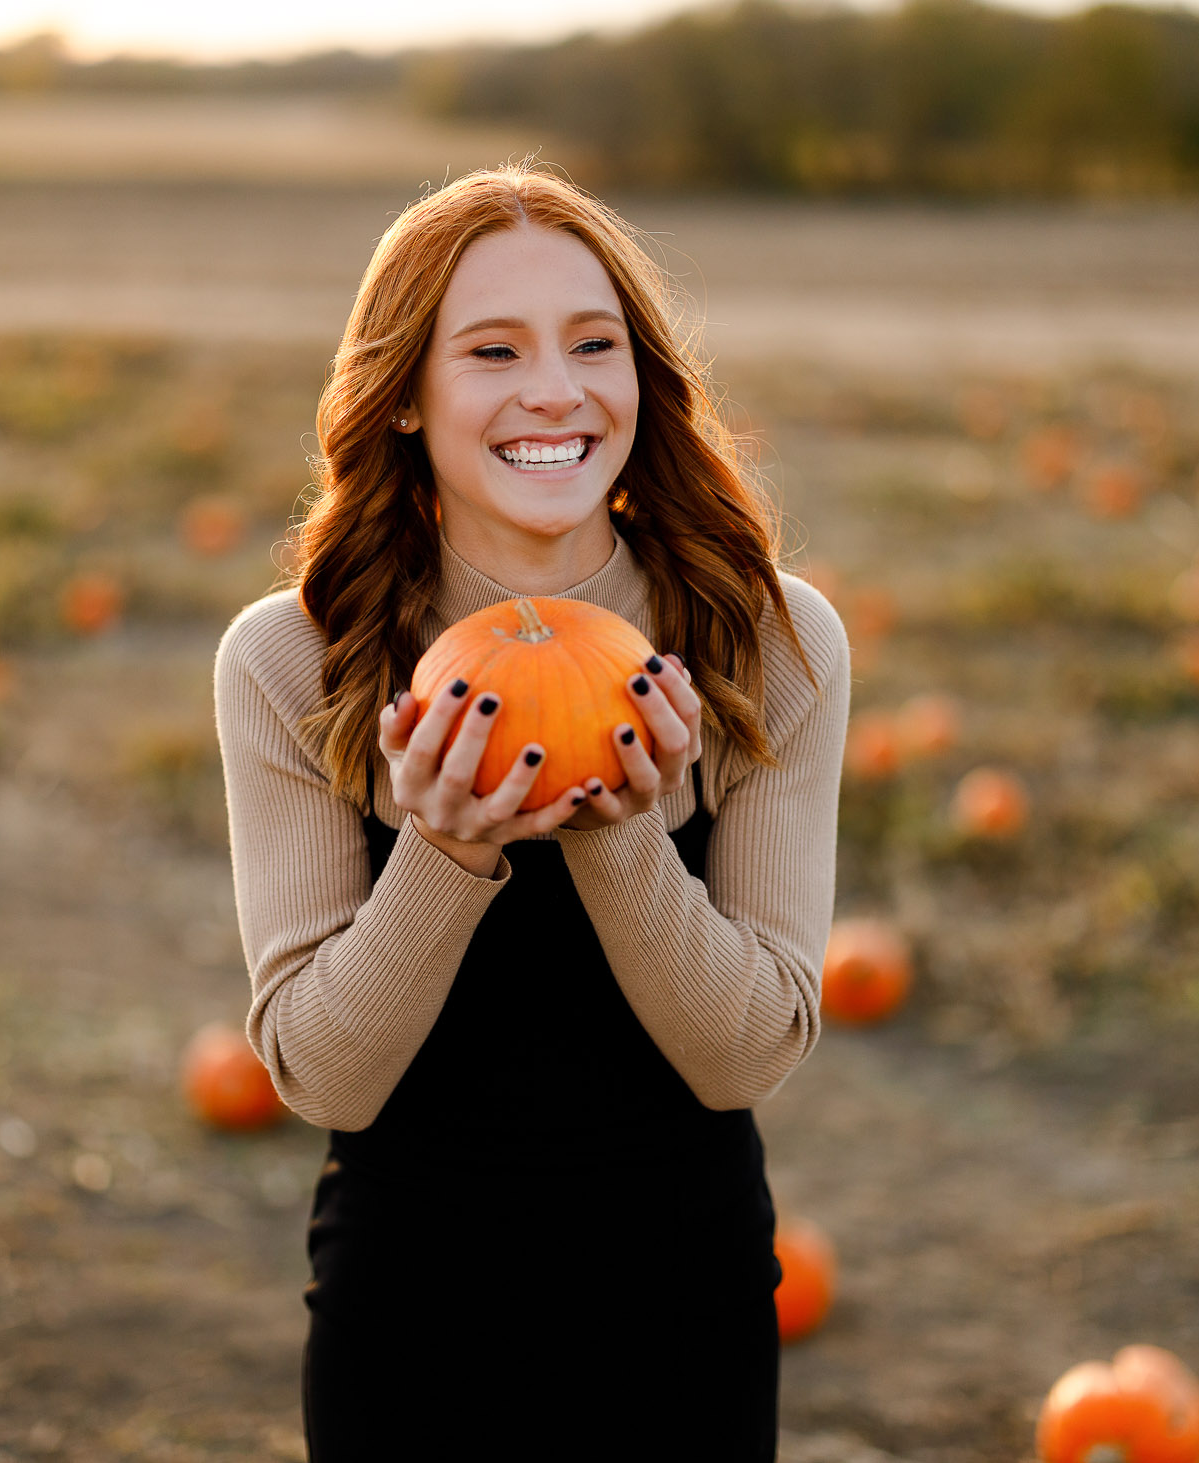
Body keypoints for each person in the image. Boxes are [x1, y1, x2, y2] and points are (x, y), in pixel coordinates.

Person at [212, 165, 850, 1461]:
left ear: (639, 379)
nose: (553, 388)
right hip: (411, 1299)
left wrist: (617, 828)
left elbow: (748, 1057)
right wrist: (443, 852)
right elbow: (322, 1072)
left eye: (592, 344)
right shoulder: (293, 661)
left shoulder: (766, 639)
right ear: (403, 397)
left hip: (684, 1285)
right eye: (492, 349)